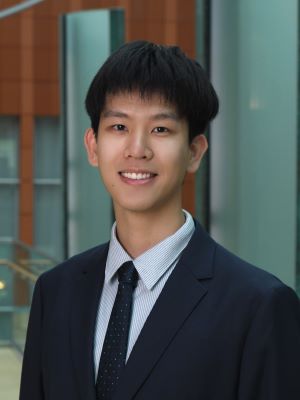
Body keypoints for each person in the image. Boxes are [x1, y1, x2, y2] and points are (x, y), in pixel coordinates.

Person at [20, 41, 300, 400]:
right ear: (92, 146)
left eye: (161, 130)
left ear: (194, 152)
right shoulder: (55, 292)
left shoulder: (259, 306)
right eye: (119, 126)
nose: (137, 149)